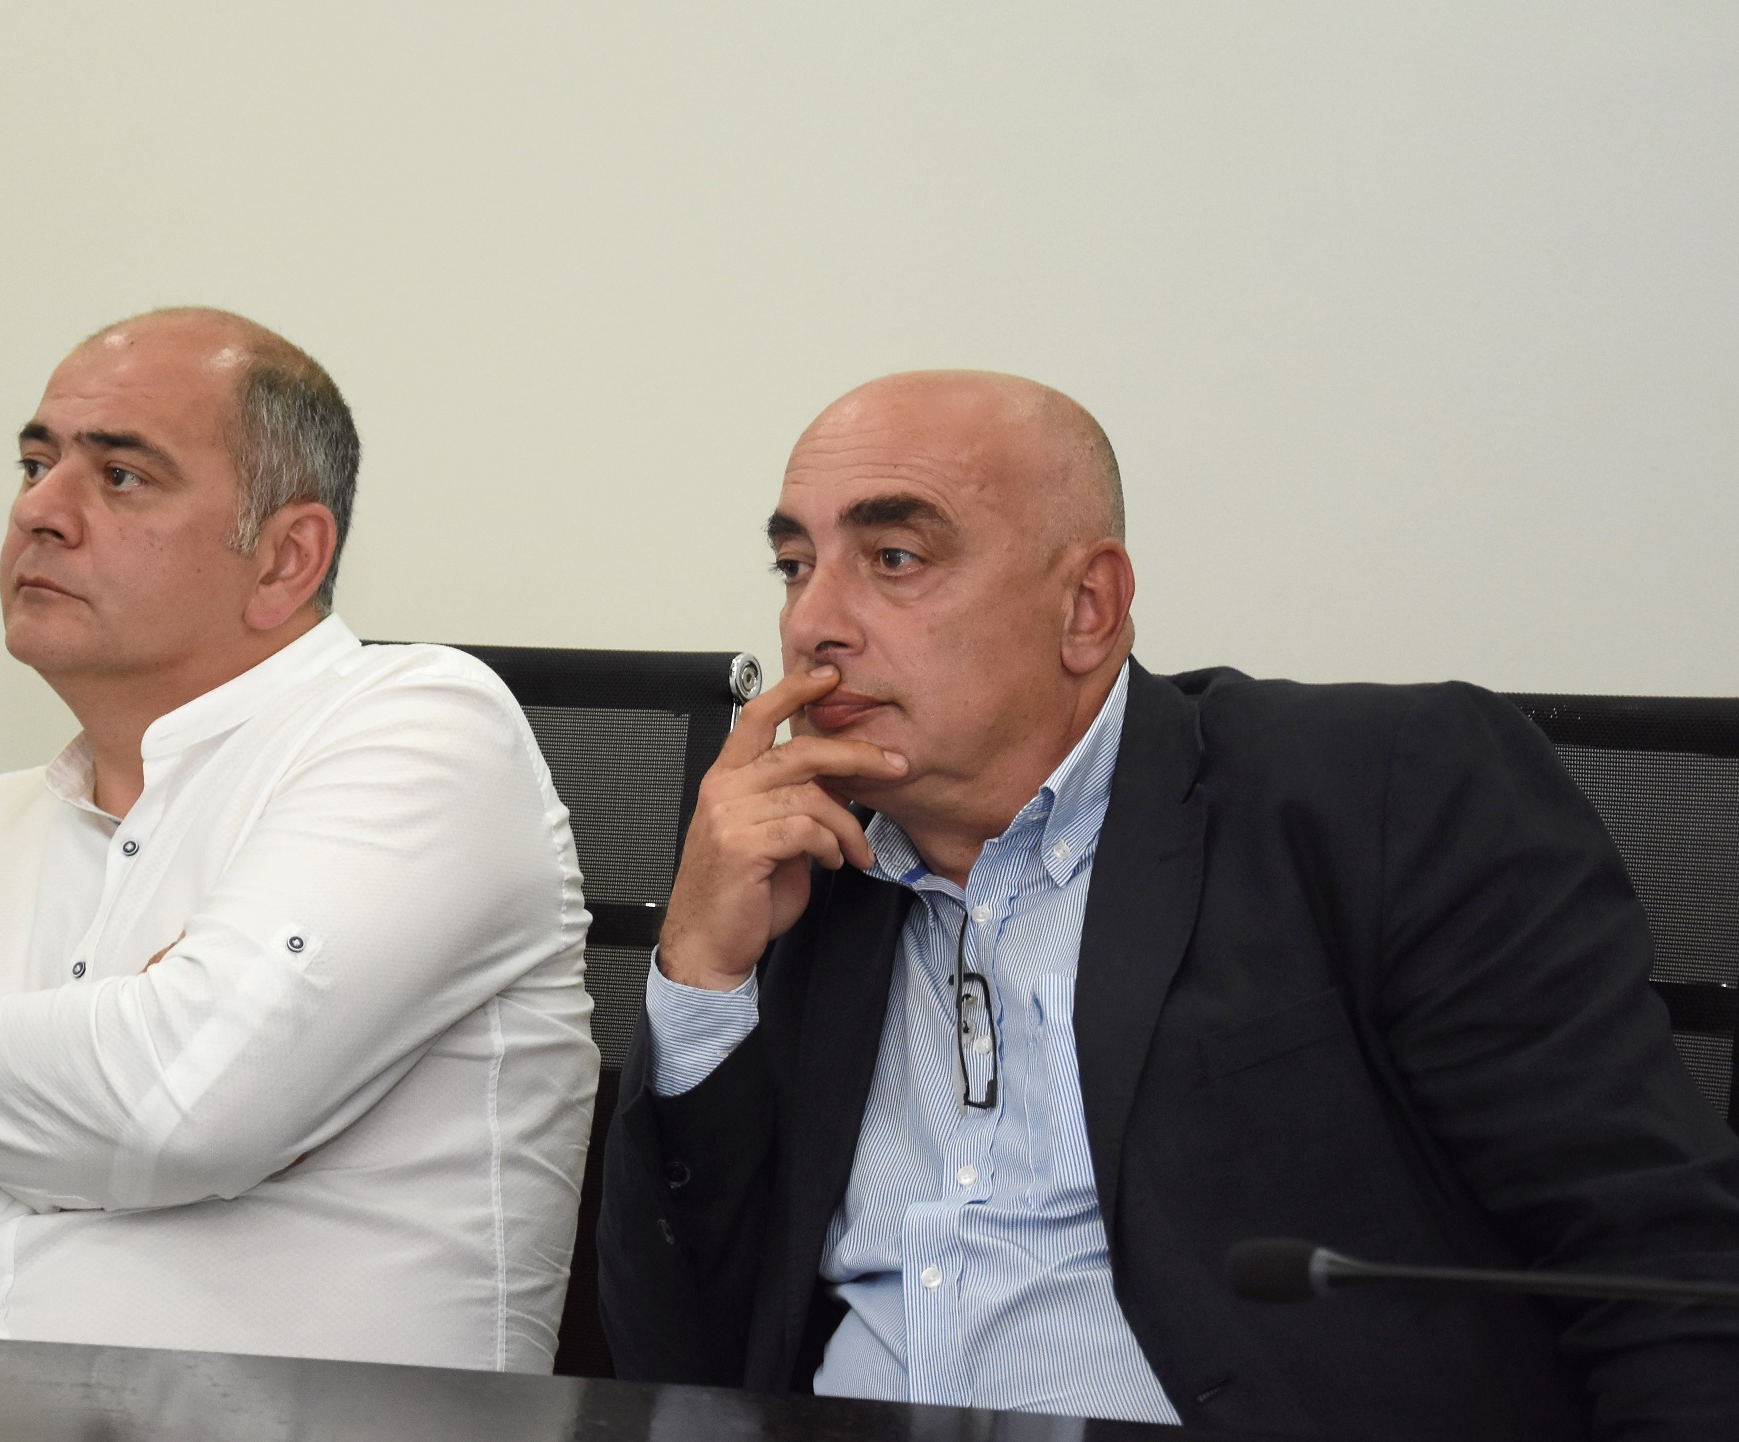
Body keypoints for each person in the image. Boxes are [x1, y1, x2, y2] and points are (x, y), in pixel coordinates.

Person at [596, 370, 1739, 1437]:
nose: (814, 623)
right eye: (794, 565)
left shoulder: (1378, 793)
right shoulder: (797, 876)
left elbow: (1659, 1258)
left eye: (893, 557)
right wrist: (701, 976)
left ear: (1088, 606)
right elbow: (668, 1360)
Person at [0, 308, 599, 1373]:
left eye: (120, 476)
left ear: (285, 559)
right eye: (34, 464)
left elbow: (179, 1115)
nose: (38, 510)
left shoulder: (424, 725)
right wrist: (61, 1145)